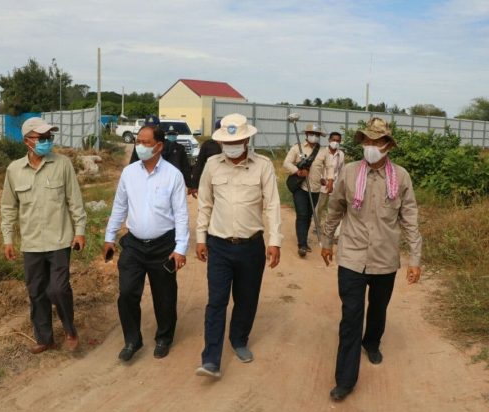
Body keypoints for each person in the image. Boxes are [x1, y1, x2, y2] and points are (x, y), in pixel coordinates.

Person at [319, 117, 422, 401]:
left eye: (377, 141)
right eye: (367, 140)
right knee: (351, 316)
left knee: (378, 308)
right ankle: (345, 380)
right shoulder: (349, 172)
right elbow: (335, 208)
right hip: (352, 257)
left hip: (385, 258)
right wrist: (326, 241)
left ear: (388, 145)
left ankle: (372, 342)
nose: (371, 146)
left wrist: (415, 258)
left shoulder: (401, 177)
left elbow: (410, 218)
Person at [195, 113, 282, 378]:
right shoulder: (212, 165)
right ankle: (211, 358)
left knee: (246, 299)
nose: (231, 146)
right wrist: (200, 238)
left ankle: (239, 339)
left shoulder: (263, 166)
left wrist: (275, 241)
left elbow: (272, 205)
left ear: (246, 140)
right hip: (219, 245)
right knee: (216, 301)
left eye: (236, 142)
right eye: (226, 142)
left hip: (251, 246)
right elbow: (205, 203)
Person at [0, 117, 86, 354]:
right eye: (42, 137)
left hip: (59, 240)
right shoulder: (14, 170)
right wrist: (8, 239)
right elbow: (8, 207)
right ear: (27, 141)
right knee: (36, 292)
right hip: (31, 243)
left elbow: (75, 200)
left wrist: (80, 231)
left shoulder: (62, 164)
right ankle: (45, 338)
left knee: (58, 289)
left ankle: (70, 330)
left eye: (49, 137)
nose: (47, 141)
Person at [104, 125, 190, 362]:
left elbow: (181, 215)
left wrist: (180, 248)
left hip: (163, 246)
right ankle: (132, 340)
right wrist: (109, 237)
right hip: (133, 245)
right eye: (138, 142)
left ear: (159, 146)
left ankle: (164, 337)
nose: (140, 146)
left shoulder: (173, 175)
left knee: (165, 295)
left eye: (145, 142)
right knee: (127, 293)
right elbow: (119, 206)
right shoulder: (129, 173)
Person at [283, 124, 332, 258]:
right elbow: (286, 163)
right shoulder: (297, 148)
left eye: (317, 134)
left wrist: (330, 180)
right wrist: (298, 172)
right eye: (311, 133)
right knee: (302, 214)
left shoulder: (323, 151)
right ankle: (302, 244)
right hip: (301, 187)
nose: (314, 136)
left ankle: (303, 238)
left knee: (309, 214)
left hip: (315, 188)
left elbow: (329, 166)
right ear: (306, 134)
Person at [130, 116, 191, 187]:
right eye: (148, 127)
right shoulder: (139, 146)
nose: (150, 130)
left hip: (163, 183)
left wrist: (189, 183)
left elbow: (176, 165)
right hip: (143, 182)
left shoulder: (169, 145)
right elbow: (133, 164)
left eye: (153, 127)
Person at [315, 131, 345, 226]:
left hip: (335, 185)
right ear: (329, 140)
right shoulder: (322, 152)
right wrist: (321, 179)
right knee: (319, 207)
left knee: (333, 208)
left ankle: (329, 227)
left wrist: (339, 184)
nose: (335, 142)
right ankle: (317, 225)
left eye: (338, 140)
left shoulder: (341, 154)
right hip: (322, 184)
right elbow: (317, 168)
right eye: (333, 140)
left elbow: (341, 170)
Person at [188, 119, 223, 198]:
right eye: (219, 129)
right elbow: (199, 164)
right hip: (210, 181)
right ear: (215, 130)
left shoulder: (230, 145)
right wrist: (194, 185)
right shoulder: (208, 145)